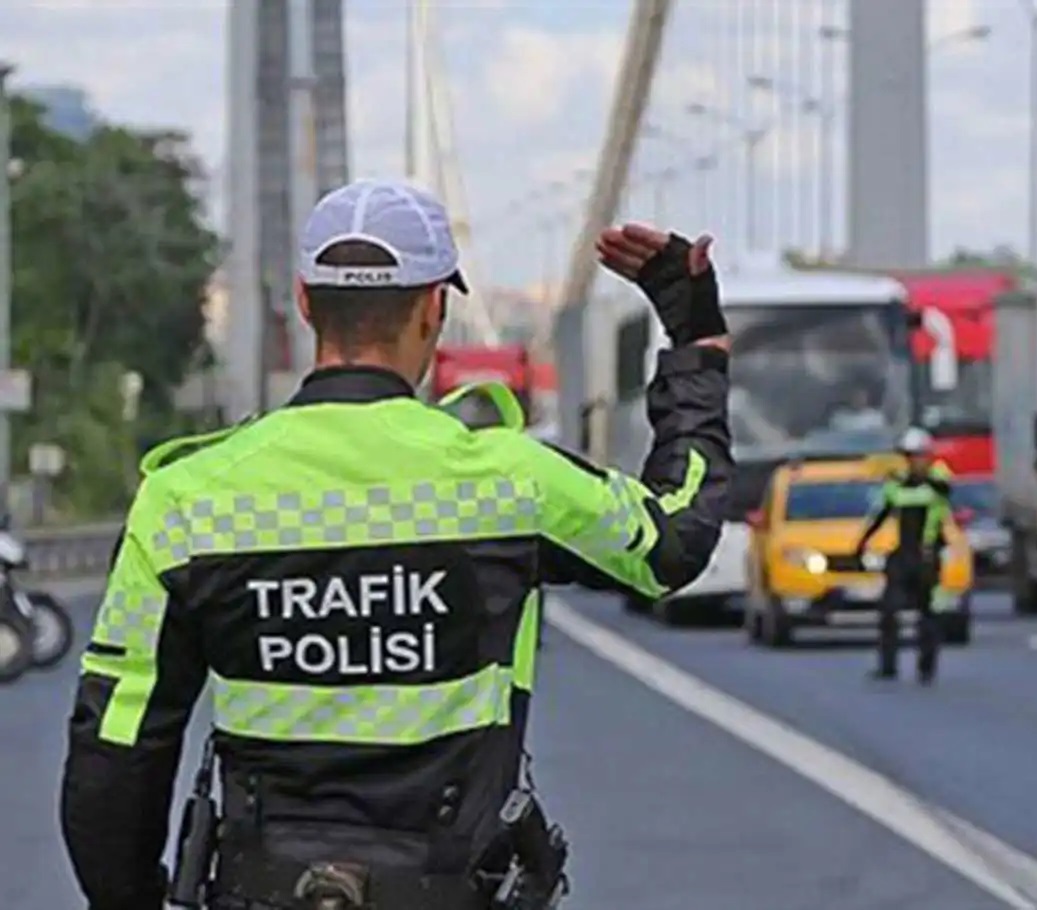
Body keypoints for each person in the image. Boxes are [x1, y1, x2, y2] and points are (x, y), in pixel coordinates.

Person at [59, 178, 733, 910]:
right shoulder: (509, 483)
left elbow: (115, 750)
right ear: (436, 307)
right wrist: (694, 342)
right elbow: (673, 539)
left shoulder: (186, 499)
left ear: (307, 301)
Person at [854, 426, 952, 684]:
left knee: (929, 615)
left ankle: (926, 667)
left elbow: (944, 488)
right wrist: (862, 543)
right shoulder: (895, 486)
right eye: (911, 456)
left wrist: (921, 477)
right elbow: (880, 515)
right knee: (889, 611)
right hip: (903, 555)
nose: (916, 462)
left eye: (920, 456)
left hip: (928, 556)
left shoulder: (937, 481)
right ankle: (888, 666)